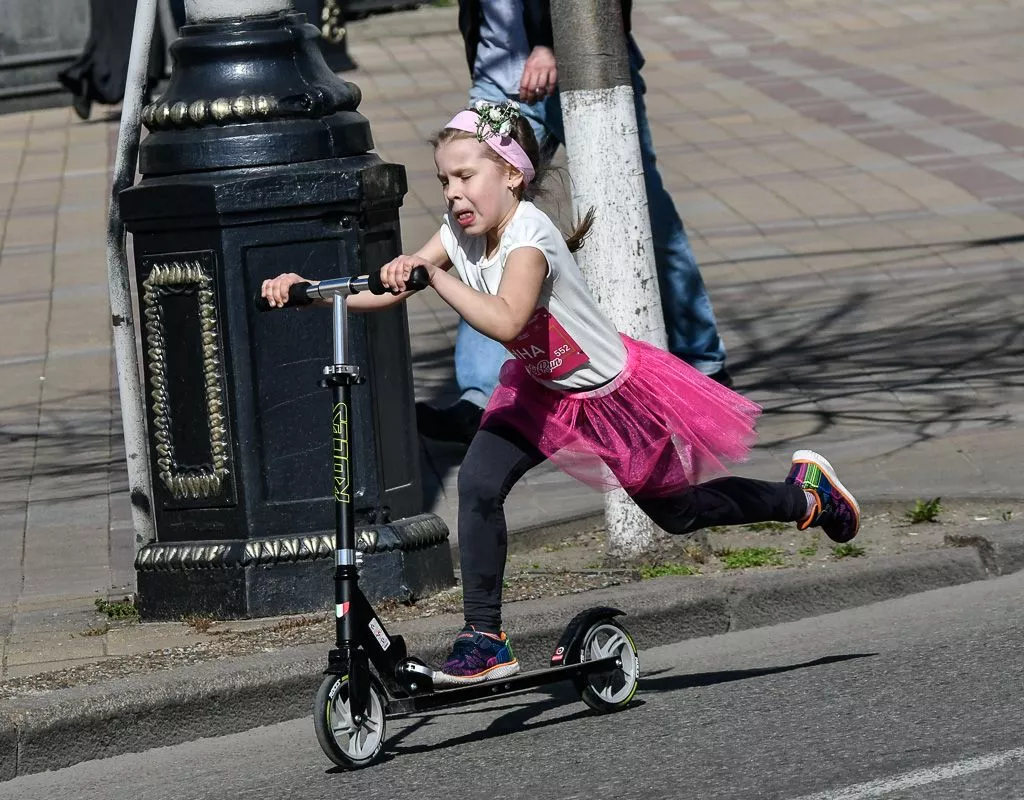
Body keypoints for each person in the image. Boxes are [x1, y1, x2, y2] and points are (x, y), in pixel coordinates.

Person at [260, 102, 861, 686]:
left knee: (679, 514)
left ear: (512, 174)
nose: (452, 193)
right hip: (541, 392)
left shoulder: (530, 238)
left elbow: (505, 319)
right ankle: (485, 638)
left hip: (611, 399)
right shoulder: (458, 232)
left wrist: (432, 275)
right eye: (445, 180)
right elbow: (391, 291)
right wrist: (312, 291)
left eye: (467, 176)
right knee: (478, 483)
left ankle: (802, 497)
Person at [417, 0, 728, 445]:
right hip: (498, 83)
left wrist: (551, 44)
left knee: (648, 220)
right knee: (478, 231)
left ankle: (704, 364)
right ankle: (479, 397)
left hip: (582, 66)